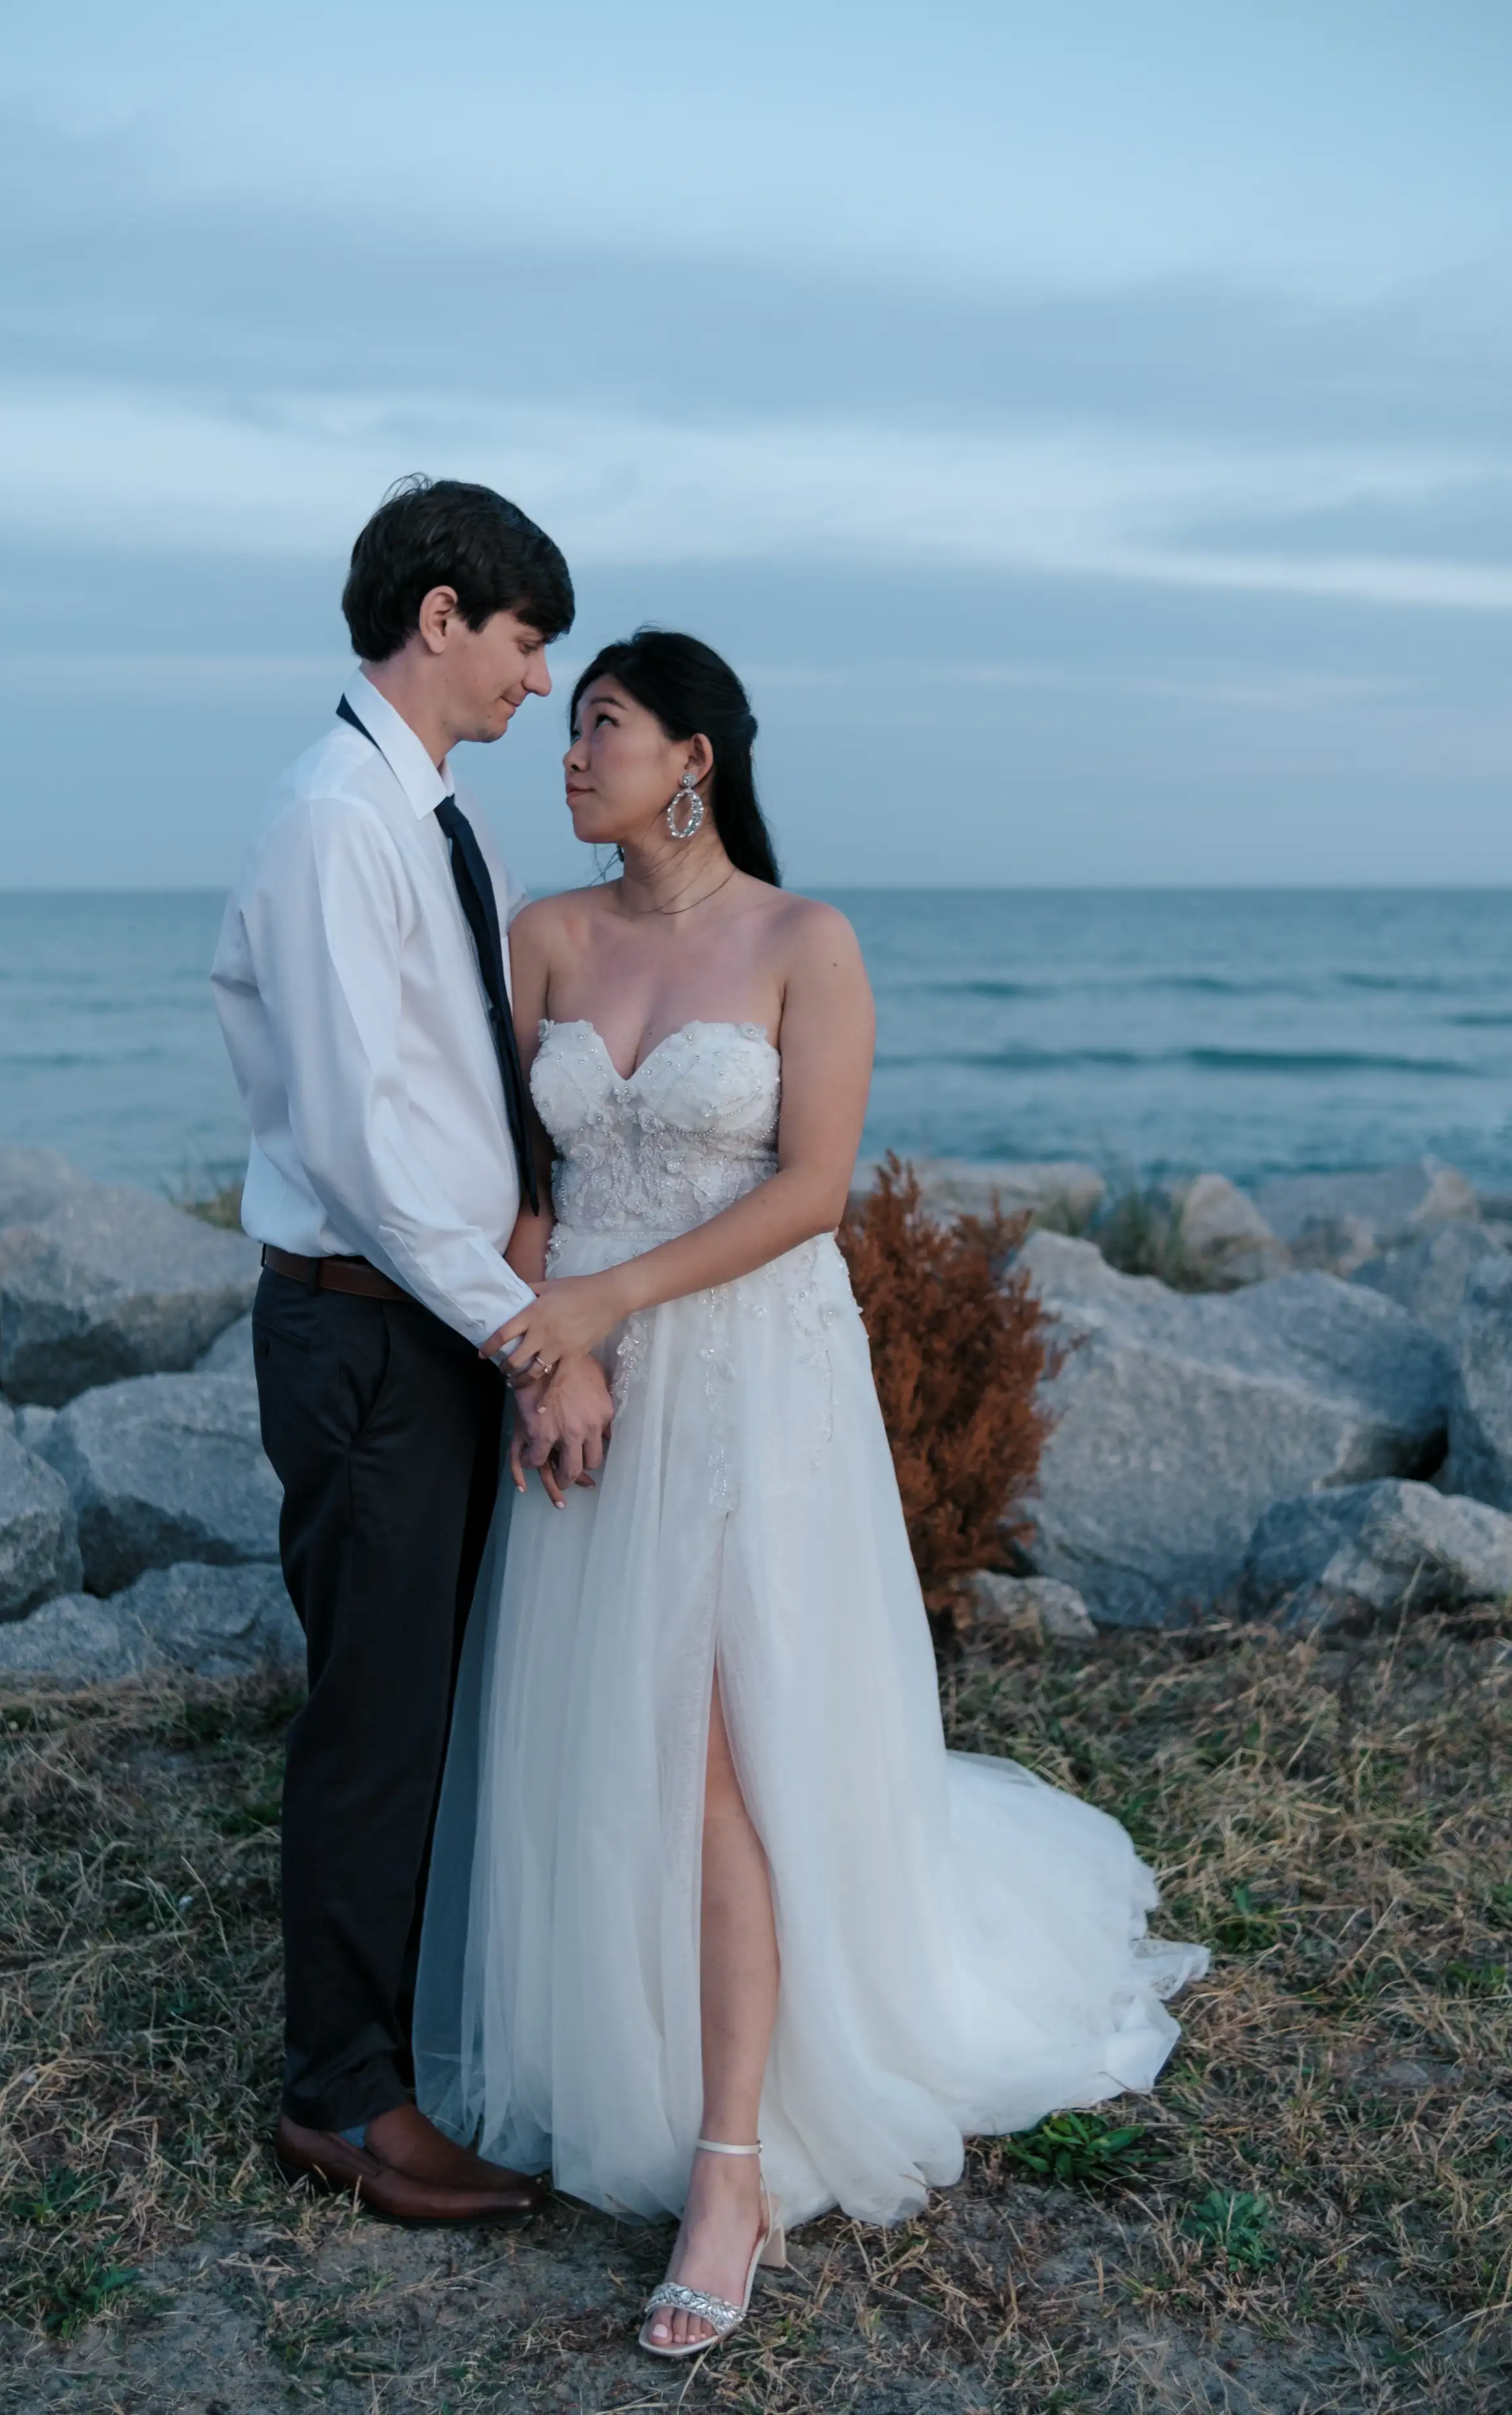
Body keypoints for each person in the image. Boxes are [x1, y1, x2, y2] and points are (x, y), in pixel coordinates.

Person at [414, 629, 1209, 2356]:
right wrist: (543, 1354)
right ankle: (635, 2049)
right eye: (572, 727)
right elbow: (518, 1187)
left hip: (750, 1380)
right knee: (614, 1731)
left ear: (691, 758)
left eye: (603, 725)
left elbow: (814, 1190)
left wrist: (607, 1306)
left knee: (716, 1745)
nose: (570, 750)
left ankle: (731, 2167)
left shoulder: (804, 942)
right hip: (587, 1385)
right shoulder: (544, 935)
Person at [211, 476, 616, 2224]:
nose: (542, 682)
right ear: (441, 618)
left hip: (430, 1320)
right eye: (527, 641)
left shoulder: (439, 819)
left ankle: (396, 2047)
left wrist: (526, 1265)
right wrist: (531, 1337)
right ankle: (340, 2104)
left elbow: (464, 1096)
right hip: (368, 1331)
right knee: (375, 1721)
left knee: (426, 1701)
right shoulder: (335, 818)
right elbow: (365, 1146)